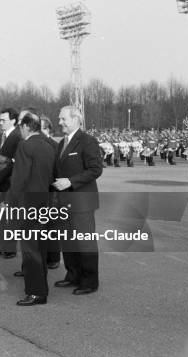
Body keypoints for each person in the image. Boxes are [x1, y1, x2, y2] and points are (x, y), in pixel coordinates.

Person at [52, 106, 103, 295]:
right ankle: (73, 275)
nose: (60, 122)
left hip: (82, 203)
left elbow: (95, 169)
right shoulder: (61, 143)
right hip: (64, 202)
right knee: (68, 241)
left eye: (63, 119)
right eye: (59, 119)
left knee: (85, 242)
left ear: (75, 119)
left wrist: (71, 182)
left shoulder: (87, 141)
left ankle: (90, 281)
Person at [8, 111, 55, 306]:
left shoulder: (25, 146)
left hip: (27, 205)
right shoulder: (48, 145)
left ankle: (36, 292)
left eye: (20, 126)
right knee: (40, 248)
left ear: (26, 126)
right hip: (43, 202)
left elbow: (19, 179)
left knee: (30, 251)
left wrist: (11, 203)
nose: (20, 130)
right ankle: (41, 288)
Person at [0, 107, 22, 258]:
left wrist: (1, 176)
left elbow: (17, 163)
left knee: (11, 217)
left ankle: (10, 248)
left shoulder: (19, 136)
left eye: (4, 120)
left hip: (11, 183)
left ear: (13, 120)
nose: (0, 122)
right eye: (0, 120)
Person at [40, 116, 61, 270]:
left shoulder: (54, 145)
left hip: (51, 189)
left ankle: (53, 258)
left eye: (39, 127)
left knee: (51, 226)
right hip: (39, 189)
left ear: (47, 128)